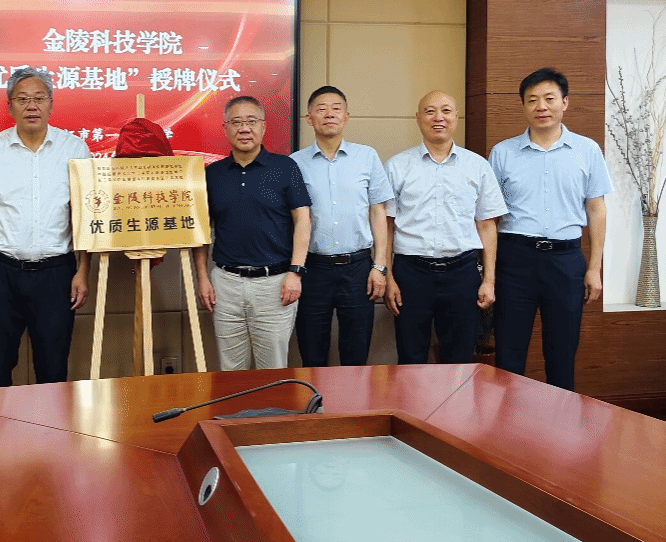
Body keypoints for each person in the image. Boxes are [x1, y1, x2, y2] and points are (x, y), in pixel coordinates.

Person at [0, 68, 91, 388]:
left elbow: (85, 216)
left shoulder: (74, 149)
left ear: (51, 104)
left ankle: (51, 425)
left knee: (53, 371)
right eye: (22, 99)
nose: (31, 106)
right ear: (10, 106)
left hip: (56, 274)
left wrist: (83, 271)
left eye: (39, 98)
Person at [490, 68, 612, 391]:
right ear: (523, 106)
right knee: (509, 353)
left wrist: (594, 268)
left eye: (549, 98)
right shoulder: (502, 153)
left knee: (562, 353)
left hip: (566, 260)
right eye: (532, 100)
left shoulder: (587, 150)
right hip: (514, 260)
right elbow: (488, 215)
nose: (541, 106)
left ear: (565, 103)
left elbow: (597, 210)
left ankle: (561, 422)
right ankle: (505, 421)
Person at [384, 91, 507, 364]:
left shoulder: (477, 166)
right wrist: (388, 276)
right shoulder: (396, 167)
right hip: (411, 274)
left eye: (446, 111)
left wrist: (489, 280)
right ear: (418, 118)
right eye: (430, 111)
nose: (438, 117)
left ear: (456, 117)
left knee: (459, 360)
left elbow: (487, 225)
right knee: (411, 357)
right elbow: (386, 226)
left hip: (462, 274)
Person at [193, 95, 311, 371]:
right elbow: (201, 231)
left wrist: (295, 272)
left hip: (275, 284)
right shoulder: (213, 174)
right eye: (236, 122)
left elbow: (303, 220)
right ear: (225, 128)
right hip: (226, 284)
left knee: (272, 369)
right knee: (231, 370)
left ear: (263, 126)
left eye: (251, 121)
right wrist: (203, 278)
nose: (244, 128)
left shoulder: (285, 168)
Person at [291, 86, 393, 367]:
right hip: (313, 269)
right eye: (321, 109)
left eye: (336, 108)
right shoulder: (294, 163)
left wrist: (380, 267)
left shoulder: (367, 157)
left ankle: (354, 397)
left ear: (346, 116)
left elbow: (378, 212)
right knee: (312, 351)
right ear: (309, 118)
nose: (329, 114)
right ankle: (316, 398)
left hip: (358, 269)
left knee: (356, 352)